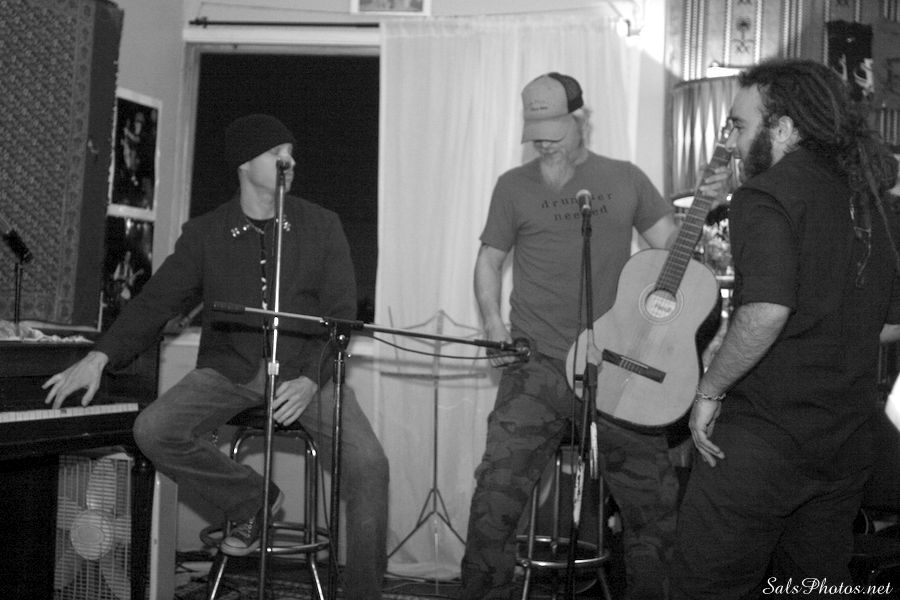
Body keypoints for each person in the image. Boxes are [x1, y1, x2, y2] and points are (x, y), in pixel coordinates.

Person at [44, 114, 389, 599]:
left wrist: (311, 378)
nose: (289, 161)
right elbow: (155, 302)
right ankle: (251, 500)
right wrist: (100, 356)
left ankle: (363, 594)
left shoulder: (322, 225)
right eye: (276, 153)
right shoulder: (206, 233)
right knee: (153, 429)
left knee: (370, 464)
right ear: (245, 164)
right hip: (230, 370)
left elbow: (340, 318)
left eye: (291, 153)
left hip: (307, 373)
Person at [459, 72, 727, 600]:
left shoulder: (625, 179)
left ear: (580, 120)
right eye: (535, 132)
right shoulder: (512, 186)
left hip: (617, 367)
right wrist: (493, 325)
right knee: (495, 497)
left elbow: (671, 251)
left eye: (553, 131)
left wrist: (705, 205)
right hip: (536, 365)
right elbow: (489, 261)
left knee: (656, 508)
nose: (543, 143)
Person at [671, 59, 900, 599]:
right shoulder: (872, 199)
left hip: (763, 440)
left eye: (739, 125)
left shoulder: (764, 194)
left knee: (705, 587)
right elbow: (891, 323)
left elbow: (767, 311)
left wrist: (709, 389)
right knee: (811, 586)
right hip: (845, 440)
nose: (731, 142)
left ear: (784, 127)